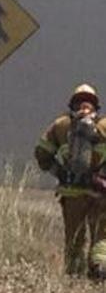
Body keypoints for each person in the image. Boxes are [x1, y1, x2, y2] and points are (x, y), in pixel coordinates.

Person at [35, 84, 106, 279]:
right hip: (100, 194)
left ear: (72, 103)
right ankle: (99, 271)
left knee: (74, 239)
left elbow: (41, 153)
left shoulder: (61, 125)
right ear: (96, 105)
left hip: (71, 194)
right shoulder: (104, 126)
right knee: (102, 235)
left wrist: (60, 173)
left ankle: (74, 276)